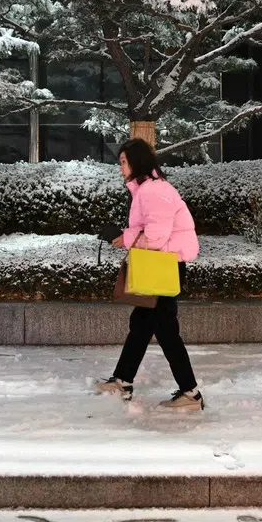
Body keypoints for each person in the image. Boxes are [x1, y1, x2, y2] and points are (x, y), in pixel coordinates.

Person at [96, 138, 204, 410]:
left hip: (164, 266)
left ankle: (190, 393)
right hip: (161, 265)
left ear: (137, 162)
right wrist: (126, 236)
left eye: (123, 162)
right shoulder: (149, 189)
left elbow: (156, 236)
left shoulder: (154, 190)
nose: (121, 167)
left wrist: (125, 237)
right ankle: (123, 380)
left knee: (165, 330)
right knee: (142, 324)